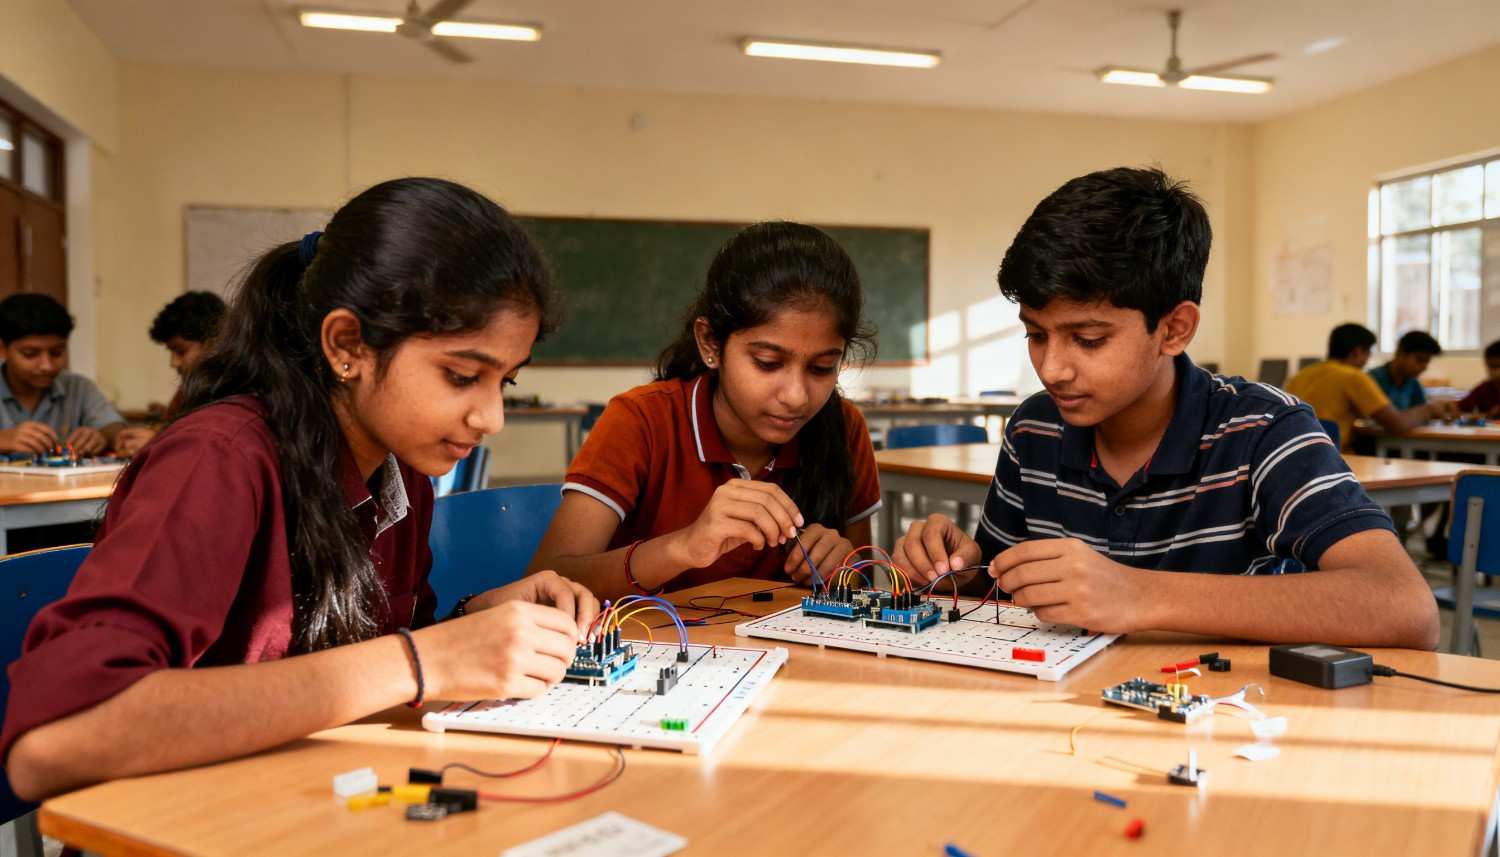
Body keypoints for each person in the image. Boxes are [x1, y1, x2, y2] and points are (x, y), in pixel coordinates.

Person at [2, 177, 599, 801]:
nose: (490, 419)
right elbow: (55, 743)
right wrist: (424, 661)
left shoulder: (400, 470)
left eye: (502, 382)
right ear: (348, 345)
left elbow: (365, 663)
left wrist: (473, 624)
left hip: (310, 804)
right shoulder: (218, 459)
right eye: (461, 375)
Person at [891, 167, 1436, 649]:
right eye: (1036, 334)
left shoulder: (1264, 428)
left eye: (1088, 338)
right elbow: (1002, 590)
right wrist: (958, 572)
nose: (1053, 367)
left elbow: (1403, 606)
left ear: (1174, 328)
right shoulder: (1037, 428)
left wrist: (1139, 594)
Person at [531, 222, 883, 599]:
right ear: (709, 342)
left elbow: (861, 587)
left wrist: (842, 566)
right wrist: (683, 547)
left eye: (821, 368)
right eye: (767, 362)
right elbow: (548, 581)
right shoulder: (641, 421)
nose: (796, 396)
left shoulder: (844, 428)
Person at [0, 293, 127, 456]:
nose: (47, 365)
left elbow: (114, 427)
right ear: (2, 348)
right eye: (30, 353)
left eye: (57, 352)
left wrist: (103, 436)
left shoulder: (79, 387)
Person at [1285, 323, 1444, 450]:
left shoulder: (1300, 375)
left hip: (1292, 454)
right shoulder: (1353, 376)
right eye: (1368, 354)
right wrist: (1429, 409)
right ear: (1357, 352)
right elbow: (1397, 424)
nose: (1367, 360)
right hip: (1333, 457)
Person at [115, 291, 231, 455]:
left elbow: (214, 448)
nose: (173, 363)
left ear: (214, 344)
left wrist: (159, 441)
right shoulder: (187, 390)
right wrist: (154, 434)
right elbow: (169, 427)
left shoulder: (236, 393)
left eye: (181, 351)